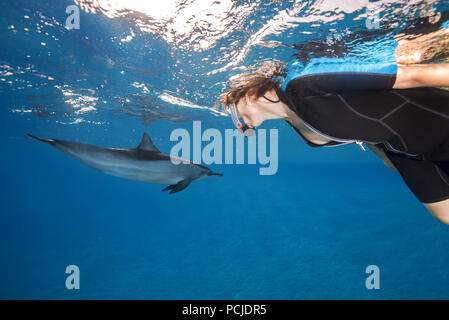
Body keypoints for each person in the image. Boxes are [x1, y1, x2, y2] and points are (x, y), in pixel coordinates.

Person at [218, 24, 449, 225]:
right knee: (445, 216)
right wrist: (383, 156)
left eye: (231, 110)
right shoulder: (294, 122)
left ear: (248, 96)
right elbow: (359, 127)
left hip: (433, 122)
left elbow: (414, 76)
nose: (236, 123)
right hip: (407, 154)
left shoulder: (304, 83)